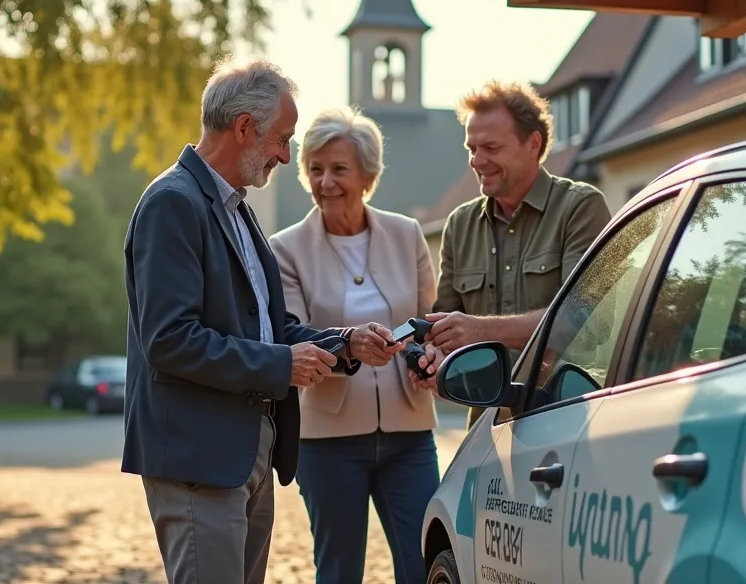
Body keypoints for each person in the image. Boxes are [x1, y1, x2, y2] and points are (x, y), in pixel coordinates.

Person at [121, 56, 405, 584]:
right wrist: (281, 364)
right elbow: (171, 341)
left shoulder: (237, 209)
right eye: (282, 139)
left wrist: (344, 344)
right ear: (245, 127)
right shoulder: (173, 204)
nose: (285, 155)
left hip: (246, 450)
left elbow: (269, 331)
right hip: (198, 457)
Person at [267, 106, 439, 584]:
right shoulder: (284, 249)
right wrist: (350, 346)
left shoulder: (407, 235)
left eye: (339, 169)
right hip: (328, 442)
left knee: (426, 564)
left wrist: (424, 356)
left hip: (410, 435)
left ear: (368, 175)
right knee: (339, 572)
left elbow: (426, 323)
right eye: (315, 169)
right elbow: (292, 333)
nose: (326, 182)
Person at [408, 80, 613, 427]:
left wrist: (478, 331)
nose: (477, 161)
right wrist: (433, 358)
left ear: (533, 144)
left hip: (565, 416)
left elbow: (584, 322)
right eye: (471, 148)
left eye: (491, 147)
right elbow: (445, 327)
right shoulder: (460, 224)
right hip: (486, 426)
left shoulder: (581, 207)